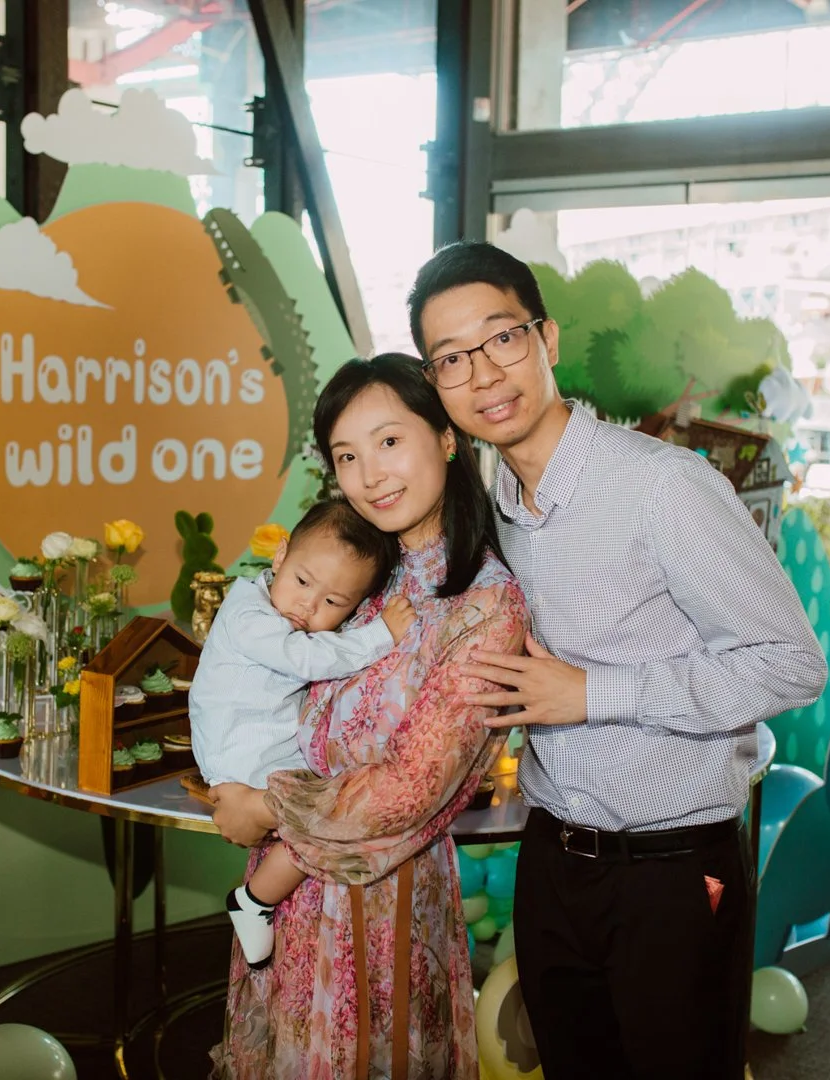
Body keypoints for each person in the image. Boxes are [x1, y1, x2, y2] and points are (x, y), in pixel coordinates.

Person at [408, 240, 827, 1079]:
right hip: (554, 856)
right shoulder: (495, 505)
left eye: (502, 339)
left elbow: (791, 664)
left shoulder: (661, 487)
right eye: (451, 359)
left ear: (547, 340)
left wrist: (593, 693)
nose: (484, 375)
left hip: (672, 875)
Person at [205, 353, 530, 1079]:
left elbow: (410, 789)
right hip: (288, 903)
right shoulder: (363, 582)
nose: (370, 474)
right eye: (347, 456)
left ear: (447, 435)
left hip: (382, 915)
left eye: (389, 442)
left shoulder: (483, 605)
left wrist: (265, 803)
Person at [189, 497, 416, 969]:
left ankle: (256, 900)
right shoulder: (250, 617)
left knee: (327, 817)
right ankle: (254, 901)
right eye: (302, 581)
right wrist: (380, 636)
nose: (308, 605)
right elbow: (306, 657)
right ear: (280, 557)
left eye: (333, 602)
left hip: (260, 746)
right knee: (325, 820)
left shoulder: (275, 609)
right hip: (241, 757)